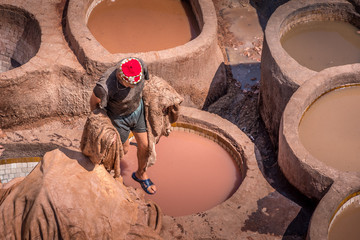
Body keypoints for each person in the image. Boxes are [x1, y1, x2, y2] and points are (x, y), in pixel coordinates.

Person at [90, 57, 156, 194]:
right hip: (119, 119)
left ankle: (140, 174)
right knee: (122, 150)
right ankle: (108, 175)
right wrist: (104, 125)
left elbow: (148, 82)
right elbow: (94, 104)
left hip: (137, 110)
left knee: (146, 146)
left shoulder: (140, 65)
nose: (134, 87)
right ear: (120, 76)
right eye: (130, 84)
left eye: (136, 83)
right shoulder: (105, 86)